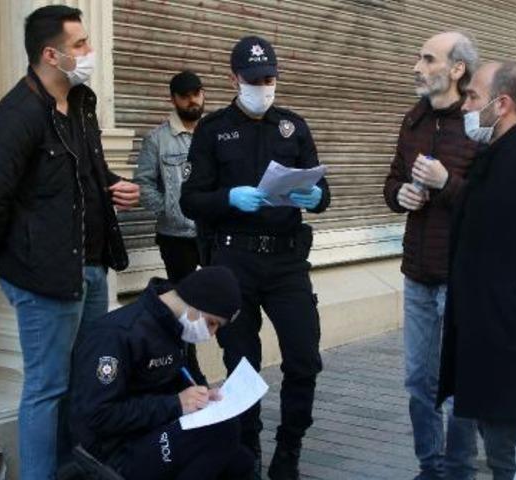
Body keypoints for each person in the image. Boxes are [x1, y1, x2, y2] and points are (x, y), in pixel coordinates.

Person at [0, 5, 139, 479]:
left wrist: (116, 184)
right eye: (80, 45)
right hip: (43, 277)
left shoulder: (81, 103)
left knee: (84, 382)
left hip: (91, 267)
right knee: (47, 387)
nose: (90, 52)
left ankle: (73, 472)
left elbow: (85, 173)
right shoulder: (14, 116)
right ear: (50, 54)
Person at [180, 35, 330, 480]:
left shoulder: (293, 126)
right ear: (234, 79)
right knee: (241, 362)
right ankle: (247, 447)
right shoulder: (212, 130)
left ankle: (290, 448)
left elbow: (322, 194)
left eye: (269, 78)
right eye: (253, 79)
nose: (263, 87)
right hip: (234, 263)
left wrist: (315, 195)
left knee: (304, 356)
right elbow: (191, 200)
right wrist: (229, 197)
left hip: (286, 261)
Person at [436, 62, 516, 480]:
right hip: (481, 334)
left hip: (510, 342)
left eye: (473, 96)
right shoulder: (489, 155)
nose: (465, 105)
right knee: (496, 450)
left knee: (510, 456)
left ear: (502, 103)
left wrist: (512, 316)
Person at [382, 31, 480, 480]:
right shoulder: (413, 120)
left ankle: (457, 470)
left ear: (456, 69)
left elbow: (490, 202)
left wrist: (446, 184)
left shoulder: (479, 122)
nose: (417, 67)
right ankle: (430, 466)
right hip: (417, 271)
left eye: (427, 59)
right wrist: (399, 193)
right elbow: (392, 181)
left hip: (459, 274)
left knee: (458, 384)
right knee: (418, 380)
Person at [69, 267, 254, 480]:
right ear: (196, 302)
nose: (211, 334)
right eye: (212, 323)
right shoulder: (116, 334)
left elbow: (183, 376)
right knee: (224, 432)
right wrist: (176, 404)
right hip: (115, 450)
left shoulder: (177, 329)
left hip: (153, 430)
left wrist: (203, 395)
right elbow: (96, 415)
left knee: (241, 461)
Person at [133, 71, 206, 283]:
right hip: (175, 238)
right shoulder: (156, 140)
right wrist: (169, 209)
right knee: (182, 299)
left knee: (220, 295)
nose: (192, 100)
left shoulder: (214, 133)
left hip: (212, 232)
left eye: (196, 93)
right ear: (172, 99)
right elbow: (142, 184)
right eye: (185, 96)